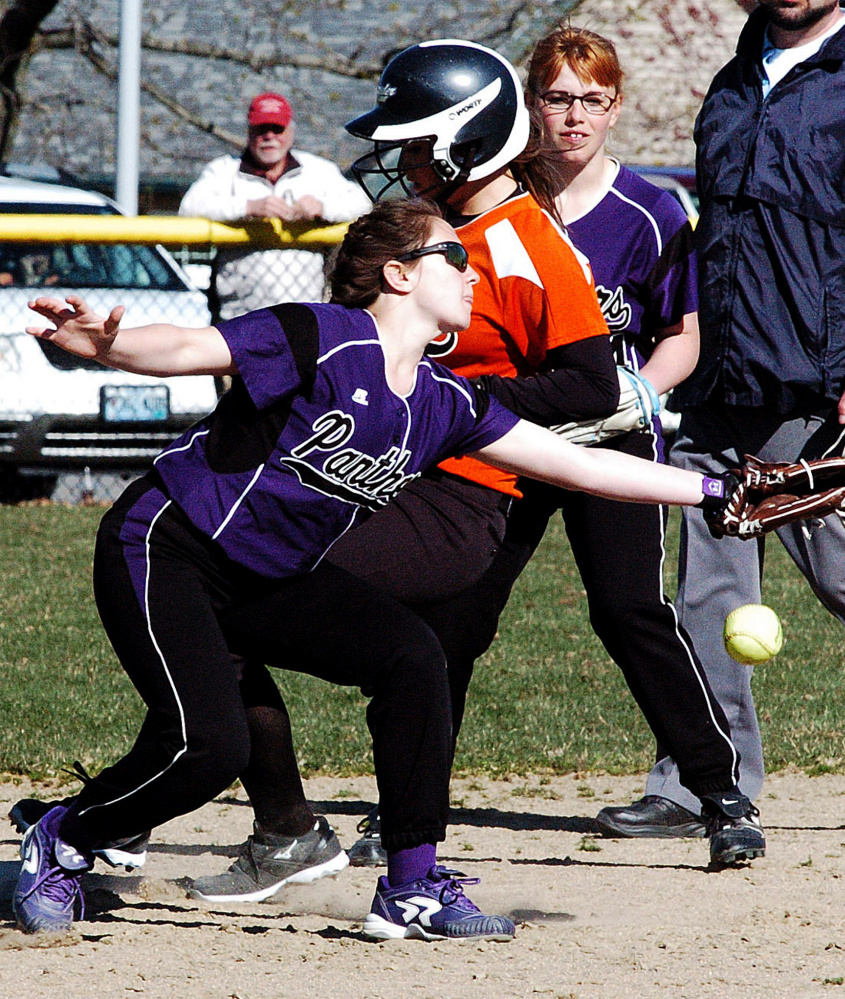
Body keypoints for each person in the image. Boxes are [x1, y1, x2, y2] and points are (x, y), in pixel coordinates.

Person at [12, 198, 736, 938]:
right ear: (397, 273)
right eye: (453, 257)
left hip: (271, 577)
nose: (471, 271)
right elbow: (189, 346)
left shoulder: (439, 399)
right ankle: (66, 835)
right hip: (169, 545)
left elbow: (579, 465)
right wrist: (106, 346)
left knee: (412, 655)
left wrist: (724, 490)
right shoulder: (324, 336)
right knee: (209, 747)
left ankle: (411, 883)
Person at [414, 25, 763, 864]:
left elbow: (683, 332)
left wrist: (649, 384)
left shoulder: (647, 209)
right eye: (558, 97)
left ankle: (720, 795)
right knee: (457, 615)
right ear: (530, 106)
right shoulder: (490, 201)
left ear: (615, 108)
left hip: (610, 431)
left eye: (593, 99)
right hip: (508, 433)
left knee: (629, 611)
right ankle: (409, 802)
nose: (574, 116)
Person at [601, 0, 845, 837]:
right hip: (720, 378)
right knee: (705, 589)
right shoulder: (735, 79)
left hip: (816, 387)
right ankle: (703, 780)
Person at [178, 91, 370, 319]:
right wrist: (248, 207)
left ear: (290, 132)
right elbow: (189, 207)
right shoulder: (224, 170)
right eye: (261, 129)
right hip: (239, 316)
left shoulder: (317, 170)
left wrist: (322, 207)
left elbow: (363, 204)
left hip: (306, 314)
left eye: (277, 129)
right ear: (249, 132)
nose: (269, 137)